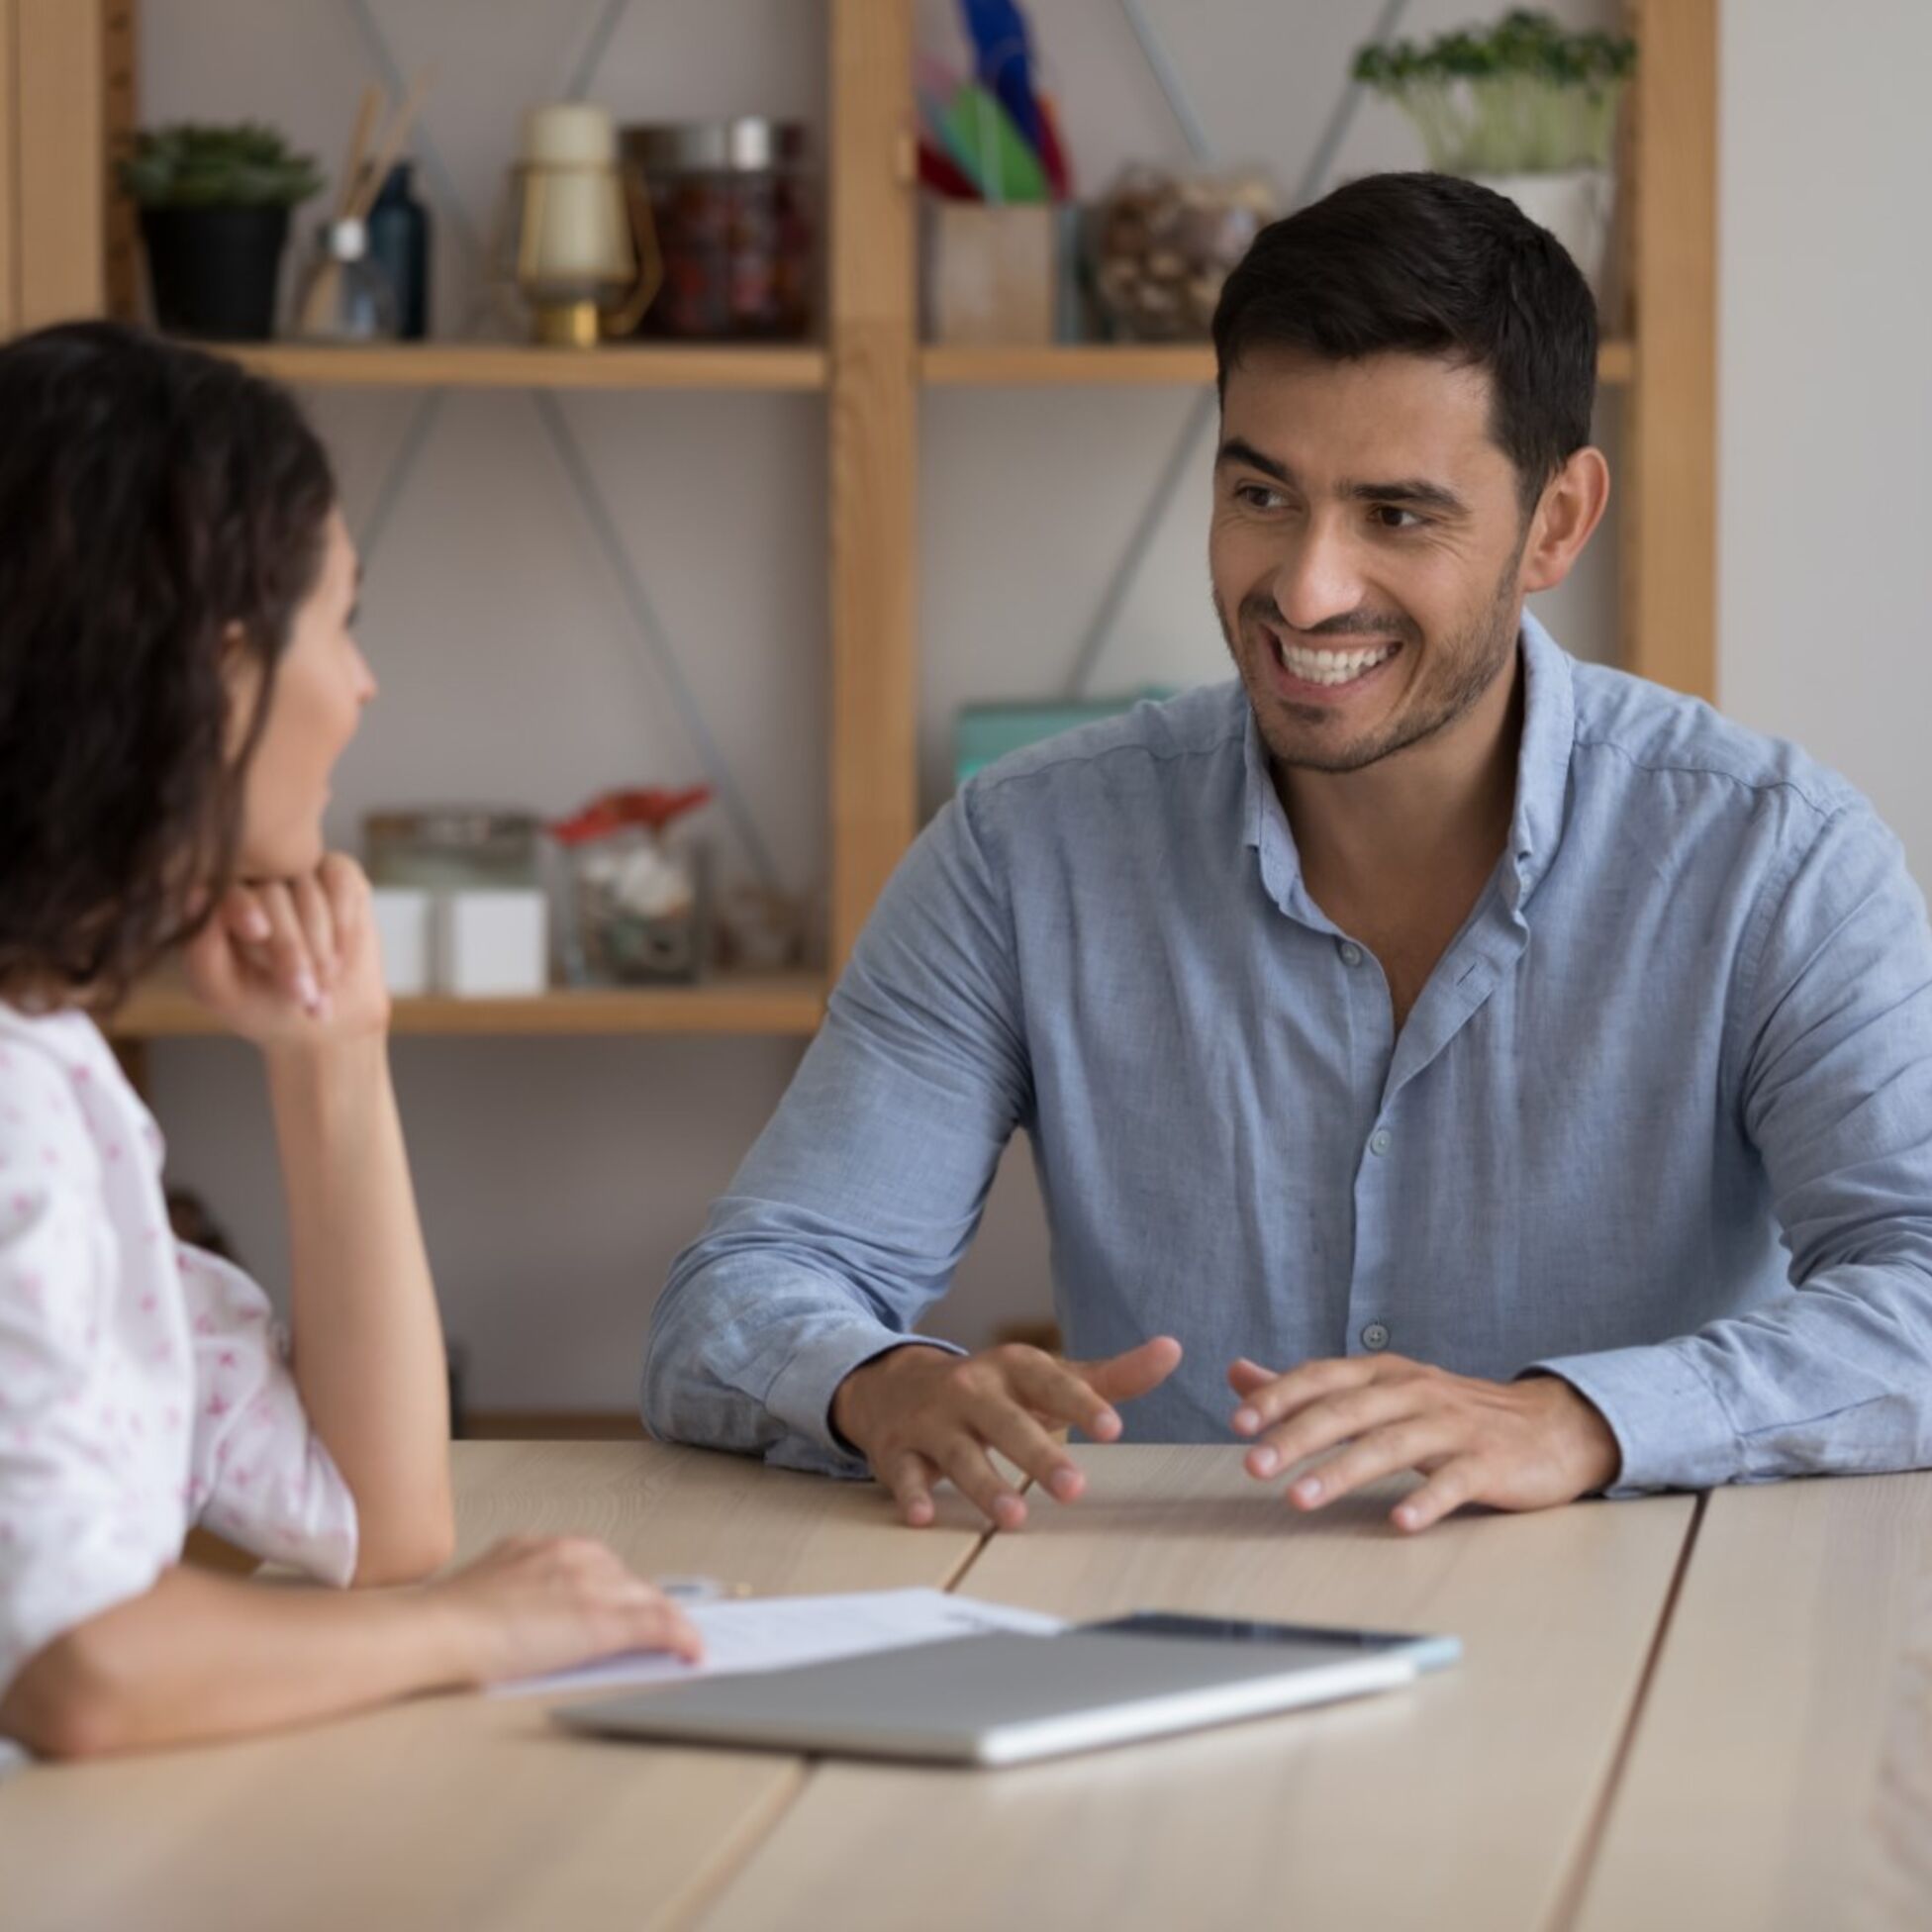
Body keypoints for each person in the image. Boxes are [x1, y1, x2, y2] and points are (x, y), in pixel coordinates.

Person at [642, 170, 1932, 1534]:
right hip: (1177, 1636)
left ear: (1555, 523)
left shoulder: (1773, 860)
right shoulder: (1022, 854)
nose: (1308, 588)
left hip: (1640, 1639)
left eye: (1399, 516)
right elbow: (738, 1295)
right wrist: (884, 1382)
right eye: (1264, 494)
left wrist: (1583, 1418)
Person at [0, 323, 698, 1761]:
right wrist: (474, 1631)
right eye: (344, 621)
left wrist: (333, 1055)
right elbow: (77, 1665)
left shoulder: (53, 1068)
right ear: (223, 674)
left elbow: (376, 1517)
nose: (365, 686)